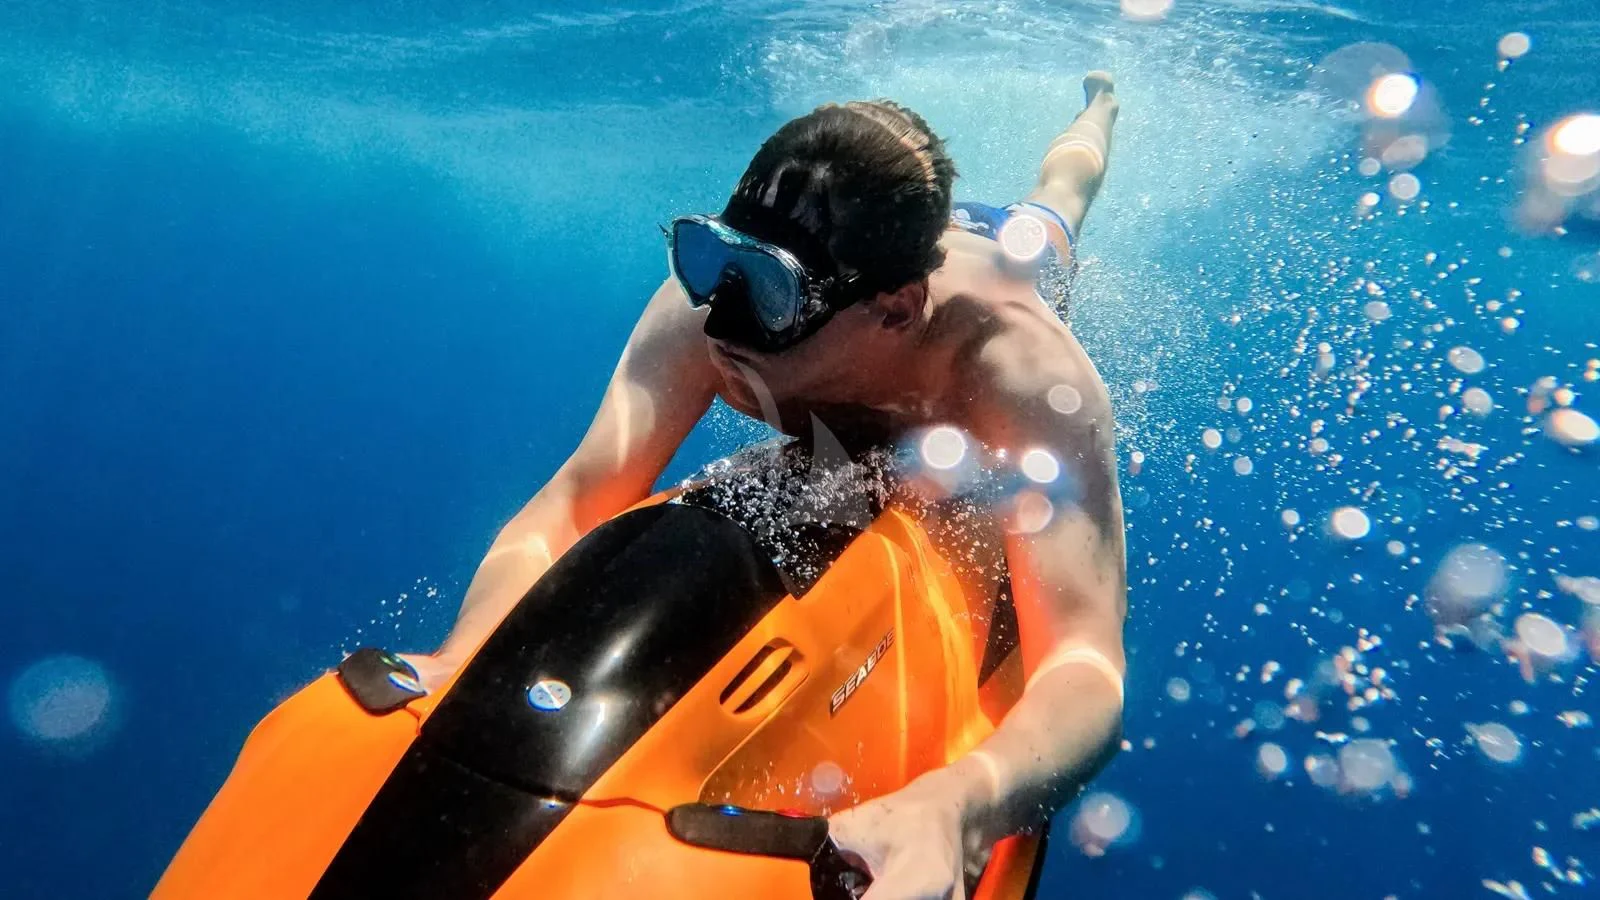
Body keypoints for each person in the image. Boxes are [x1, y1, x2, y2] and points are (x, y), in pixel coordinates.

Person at [408, 71, 1126, 899]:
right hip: (886, 263)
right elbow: (577, 497)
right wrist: (466, 655)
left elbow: (1086, 668)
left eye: (773, 290)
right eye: (710, 256)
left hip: (1006, 253)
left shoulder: (1019, 369)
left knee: (1054, 208)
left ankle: (1099, 109)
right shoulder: (705, 308)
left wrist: (958, 807)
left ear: (896, 311)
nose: (719, 318)